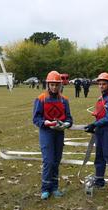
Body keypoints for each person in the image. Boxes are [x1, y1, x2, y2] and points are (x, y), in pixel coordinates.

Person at [33, 71, 73, 200]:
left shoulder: (64, 100)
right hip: (46, 133)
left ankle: (54, 187)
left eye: (57, 85)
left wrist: (66, 124)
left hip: (59, 133)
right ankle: (45, 188)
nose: (54, 87)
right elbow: (36, 118)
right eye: (52, 85)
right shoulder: (41, 99)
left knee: (56, 161)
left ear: (60, 85)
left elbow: (69, 118)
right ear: (48, 84)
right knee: (48, 161)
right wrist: (45, 122)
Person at [84, 72, 108, 193]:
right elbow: (99, 115)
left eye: (104, 84)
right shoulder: (100, 99)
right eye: (99, 84)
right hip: (99, 131)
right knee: (99, 157)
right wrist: (94, 124)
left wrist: (94, 124)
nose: (101, 86)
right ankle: (99, 181)